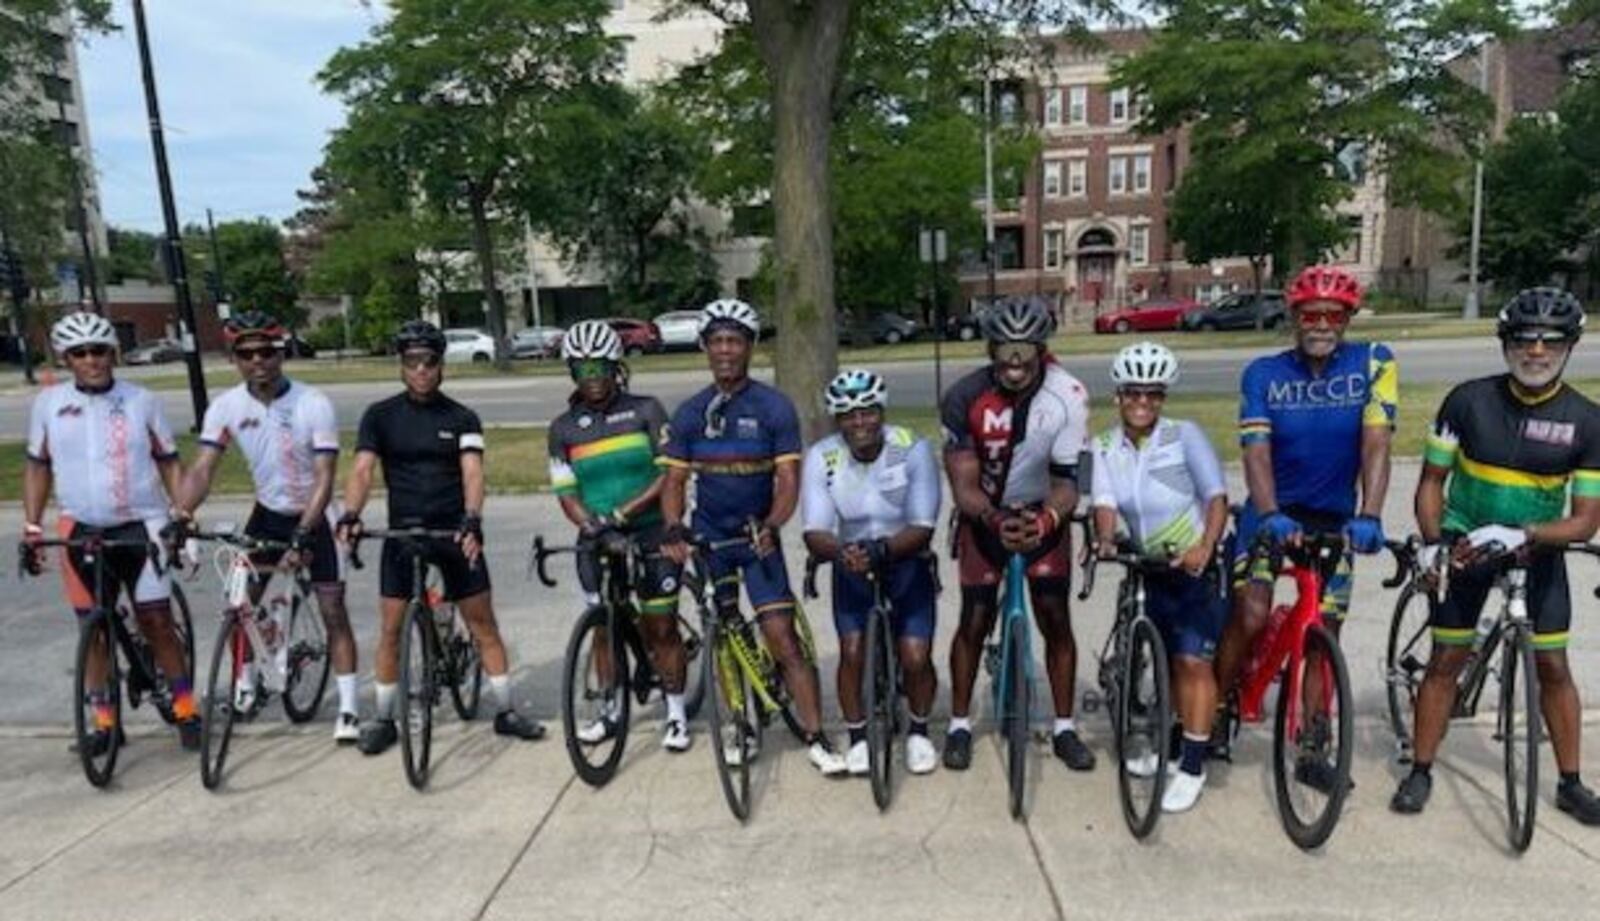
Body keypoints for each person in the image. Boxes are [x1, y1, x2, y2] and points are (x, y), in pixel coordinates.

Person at [1391, 287, 1600, 823]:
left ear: (1569, 347)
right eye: (1523, 340)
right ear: (1506, 344)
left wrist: (1526, 531)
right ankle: (1420, 769)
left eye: (1549, 342)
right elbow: (1432, 481)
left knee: (1553, 665)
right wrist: (1436, 542)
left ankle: (1571, 783)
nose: (1535, 351)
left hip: (1537, 551)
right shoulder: (1466, 400)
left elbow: (1585, 519)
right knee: (1447, 661)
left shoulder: (1587, 420)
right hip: (1465, 544)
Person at [1211, 265, 1396, 787]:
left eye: (1332, 316)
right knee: (1251, 613)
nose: (1321, 324)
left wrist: (1370, 514)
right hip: (1271, 512)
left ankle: (1314, 740)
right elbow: (1256, 449)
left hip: (1335, 520)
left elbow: (1377, 445)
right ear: (1293, 317)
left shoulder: (1374, 363)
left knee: (1323, 632)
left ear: (1346, 321)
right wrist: (1269, 513)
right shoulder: (1264, 373)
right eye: (1310, 314)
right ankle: (1215, 707)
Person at [337, 320, 544, 754]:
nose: (421, 370)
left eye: (429, 362)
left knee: (482, 621)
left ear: (441, 365)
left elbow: (472, 471)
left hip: (452, 530)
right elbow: (361, 470)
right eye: (412, 362)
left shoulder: (461, 417)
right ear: (401, 365)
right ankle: (384, 718)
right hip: (402, 531)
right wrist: (351, 514)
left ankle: (506, 709)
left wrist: (472, 518)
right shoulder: (380, 415)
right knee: (391, 628)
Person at [658, 298, 847, 776]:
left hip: (755, 534)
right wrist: (674, 527)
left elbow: (788, 481)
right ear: (705, 347)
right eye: (717, 341)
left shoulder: (773, 407)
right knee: (722, 633)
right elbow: (674, 483)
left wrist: (772, 525)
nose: (725, 350)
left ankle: (815, 735)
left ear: (748, 347)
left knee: (781, 637)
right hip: (710, 539)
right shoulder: (689, 413)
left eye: (734, 341)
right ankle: (740, 723)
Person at [168, 311, 360, 743]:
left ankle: (348, 709)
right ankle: (246, 682)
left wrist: (303, 533)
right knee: (241, 602)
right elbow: (202, 468)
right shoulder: (226, 406)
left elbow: (326, 475)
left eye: (268, 351)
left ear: (282, 352)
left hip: (315, 514)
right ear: (234, 357)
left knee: (333, 610)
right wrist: (180, 513)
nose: (259, 360)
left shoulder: (313, 402)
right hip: (268, 513)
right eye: (247, 353)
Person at [21, 312, 199, 752]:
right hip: (80, 523)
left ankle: (184, 708)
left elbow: (170, 461)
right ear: (66, 359)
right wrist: (31, 525)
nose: (91, 360)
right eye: (80, 353)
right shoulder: (48, 404)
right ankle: (104, 722)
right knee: (92, 629)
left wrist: (182, 514)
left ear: (112, 354)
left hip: (142, 521)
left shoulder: (142, 400)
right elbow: (37, 467)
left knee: (156, 620)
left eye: (99, 350)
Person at [939, 296, 1094, 772]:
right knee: (974, 619)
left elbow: (1073, 481)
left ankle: (1065, 728)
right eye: (1004, 351)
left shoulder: (1069, 394)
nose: (1013, 365)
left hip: (1044, 512)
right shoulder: (963, 397)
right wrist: (990, 519)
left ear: (1041, 350)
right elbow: (963, 483)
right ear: (989, 349)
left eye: (1024, 352)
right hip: (984, 516)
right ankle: (959, 725)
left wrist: (1048, 518)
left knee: (1054, 617)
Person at [1089, 342, 1228, 813]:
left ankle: (1191, 765)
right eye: (1134, 394)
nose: (1143, 403)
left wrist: (1204, 547)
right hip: (1145, 565)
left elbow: (1215, 497)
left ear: (1162, 398)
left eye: (1153, 394)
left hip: (1189, 566)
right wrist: (1106, 540)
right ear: (1119, 397)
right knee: (1158, 661)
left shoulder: (1185, 435)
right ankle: (1158, 738)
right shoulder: (1103, 445)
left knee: (1191, 663)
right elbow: (1104, 501)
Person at [547, 320, 691, 753]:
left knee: (660, 626)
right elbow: (565, 489)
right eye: (581, 369)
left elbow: (668, 473)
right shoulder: (563, 428)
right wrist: (588, 523)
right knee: (604, 629)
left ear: (616, 367)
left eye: (599, 367)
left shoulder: (646, 409)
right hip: (597, 537)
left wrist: (621, 513)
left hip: (649, 533)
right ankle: (611, 709)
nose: (592, 378)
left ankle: (677, 712)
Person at [801, 369, 943, 777]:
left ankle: (918, 729)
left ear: (881, 412)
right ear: (837, 421)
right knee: (851, 651)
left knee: (915, 657)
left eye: (867, 413)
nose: (859, 423)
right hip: (852, 562)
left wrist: (882, 550)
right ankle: (858, 735)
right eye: (848, 416)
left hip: (905, 559)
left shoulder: (911, 448)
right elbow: (814, 530)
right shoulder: (823, 456)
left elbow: (923, 524)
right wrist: (844, 552)